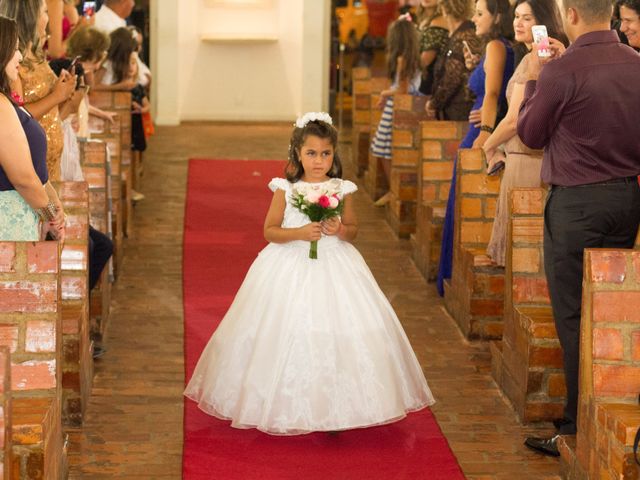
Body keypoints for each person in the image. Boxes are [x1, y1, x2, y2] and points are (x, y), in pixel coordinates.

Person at [184, 112, 435, 435]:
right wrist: (300, 233)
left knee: (338, 327)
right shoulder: (285, 189)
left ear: (334, 154)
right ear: (298, 154)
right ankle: (280, 402)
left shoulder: (341, 188)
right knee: (283, 329)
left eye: (326, 154)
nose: (319, 161)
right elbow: (270, 231)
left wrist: (339, 228)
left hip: (335, 263)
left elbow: (354, 230)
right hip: (288, 261)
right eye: (311, 154)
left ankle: (340, 403)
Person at [517, 0, 640, 456]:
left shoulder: (560, 70)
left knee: (573, 317)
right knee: (613, 311)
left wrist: (535, 76)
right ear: (609, 12)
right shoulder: (636, 64)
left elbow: (530, 135)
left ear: (568, 14)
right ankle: (601, 411)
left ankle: (574, 426)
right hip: (628, 198)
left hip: (576, 204)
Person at [434, 0, 515, 296]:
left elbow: (493, 93)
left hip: (481, 130)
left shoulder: (496, 45)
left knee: (461, 200)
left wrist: (485, 133)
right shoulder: (497, 46)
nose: (475, 18)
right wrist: (474, 67)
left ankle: (451, 275)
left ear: (496, 17)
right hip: (483, 121)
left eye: (480, 13)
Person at [483, 0, 566, 266]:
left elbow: (513, 120)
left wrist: (487, 144)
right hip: (535, 158)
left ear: (543, 23)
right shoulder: (548, 57)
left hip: (525, 161)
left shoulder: (535, 59)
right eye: (517, 16)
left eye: (527, 18)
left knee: (521, 256)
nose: (518, 23)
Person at [0, 15, 65, 242]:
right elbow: (23, 178)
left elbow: (34, 172)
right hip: (10, 224)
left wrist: (53, 200)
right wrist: (49, 215)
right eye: (14, 49)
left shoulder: (5, 99)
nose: (20, 56)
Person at [0, 0, 78, 182]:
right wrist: (57, 95)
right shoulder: (12, 62)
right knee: (46, 207)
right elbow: (16, 116)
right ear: (30, 18)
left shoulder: (34, 53)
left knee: (54, 207)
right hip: (31, 163)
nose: (48, 18)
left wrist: (64, 91)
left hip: (50, 155)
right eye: (44, 12)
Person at [370, 14, 423, 204]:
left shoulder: (403, 59)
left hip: (396, 107)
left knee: (382, 148)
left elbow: (402, 89)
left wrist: (384, 94)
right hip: (400, 107)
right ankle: (393, 190)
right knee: (384, 149)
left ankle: (393, 191)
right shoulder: (412, 58)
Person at [425, 0, 478, 121]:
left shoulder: (463, 36)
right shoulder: (460, 33)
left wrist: (434, 102)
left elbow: (453, 77)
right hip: (458, 109)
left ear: (445, 9)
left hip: (461, 111)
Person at [417, 0, 449, 95]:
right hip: (425, 78)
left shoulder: (438, 22)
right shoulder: (427, 19)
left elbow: (425, 61)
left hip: (432, 82)